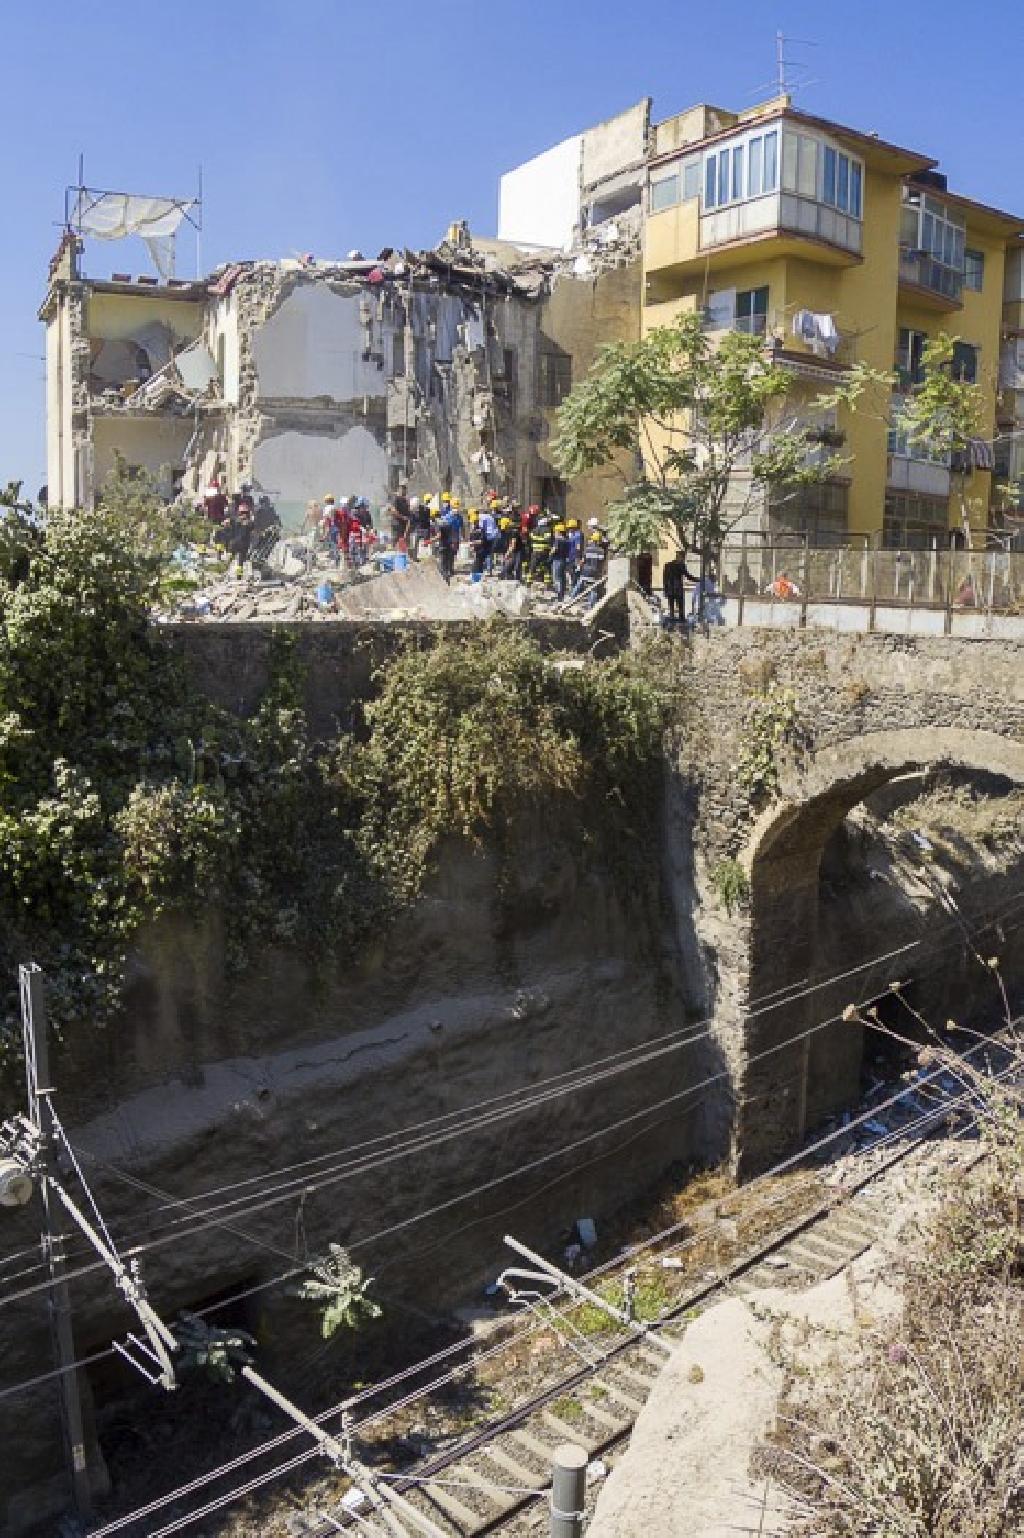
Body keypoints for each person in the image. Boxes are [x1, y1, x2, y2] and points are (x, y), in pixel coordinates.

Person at [550, 521, 571, 601]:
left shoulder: (557, 540)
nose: (554, 533)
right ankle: (561, 595)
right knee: (562, 578)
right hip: (564, 560)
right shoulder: (567, 540)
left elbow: (554, 549)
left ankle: (558, 595)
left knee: (556, 578)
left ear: (558, 532)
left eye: (555, 531)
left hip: (557, 560)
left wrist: (550, 555)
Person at [390, 484, 411, 549]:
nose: (404, 491)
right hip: (397, 524)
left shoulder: (405, 501)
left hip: (404, 525)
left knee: (405, 541)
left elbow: (408, 512)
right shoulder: (396, 499)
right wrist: (402, 517)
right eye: (403, 489)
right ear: (399, 490)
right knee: (396, 540)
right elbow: (393, 511)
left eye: (405, 490)